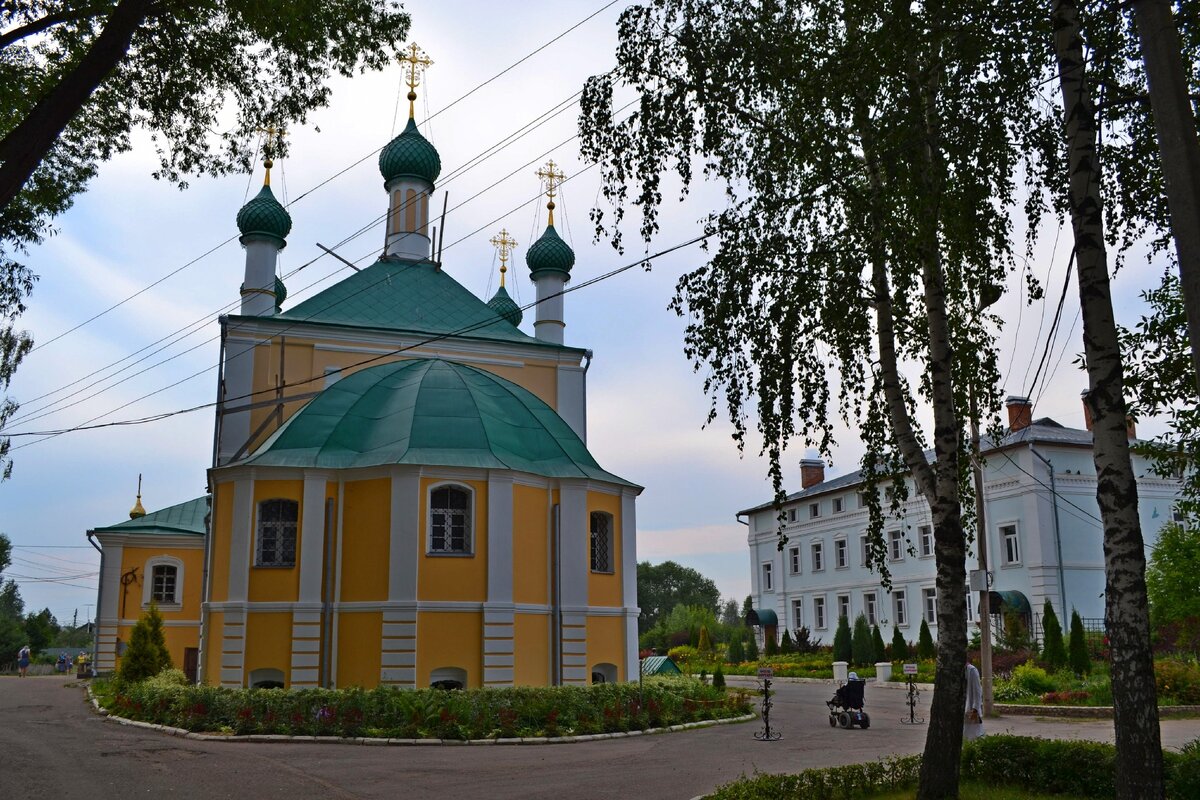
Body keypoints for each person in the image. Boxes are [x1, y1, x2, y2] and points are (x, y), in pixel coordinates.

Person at [964, 660, 984, 741]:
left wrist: (975, 708)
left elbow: (977, 691)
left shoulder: (972, 670)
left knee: (973, 735)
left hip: (970, 709)